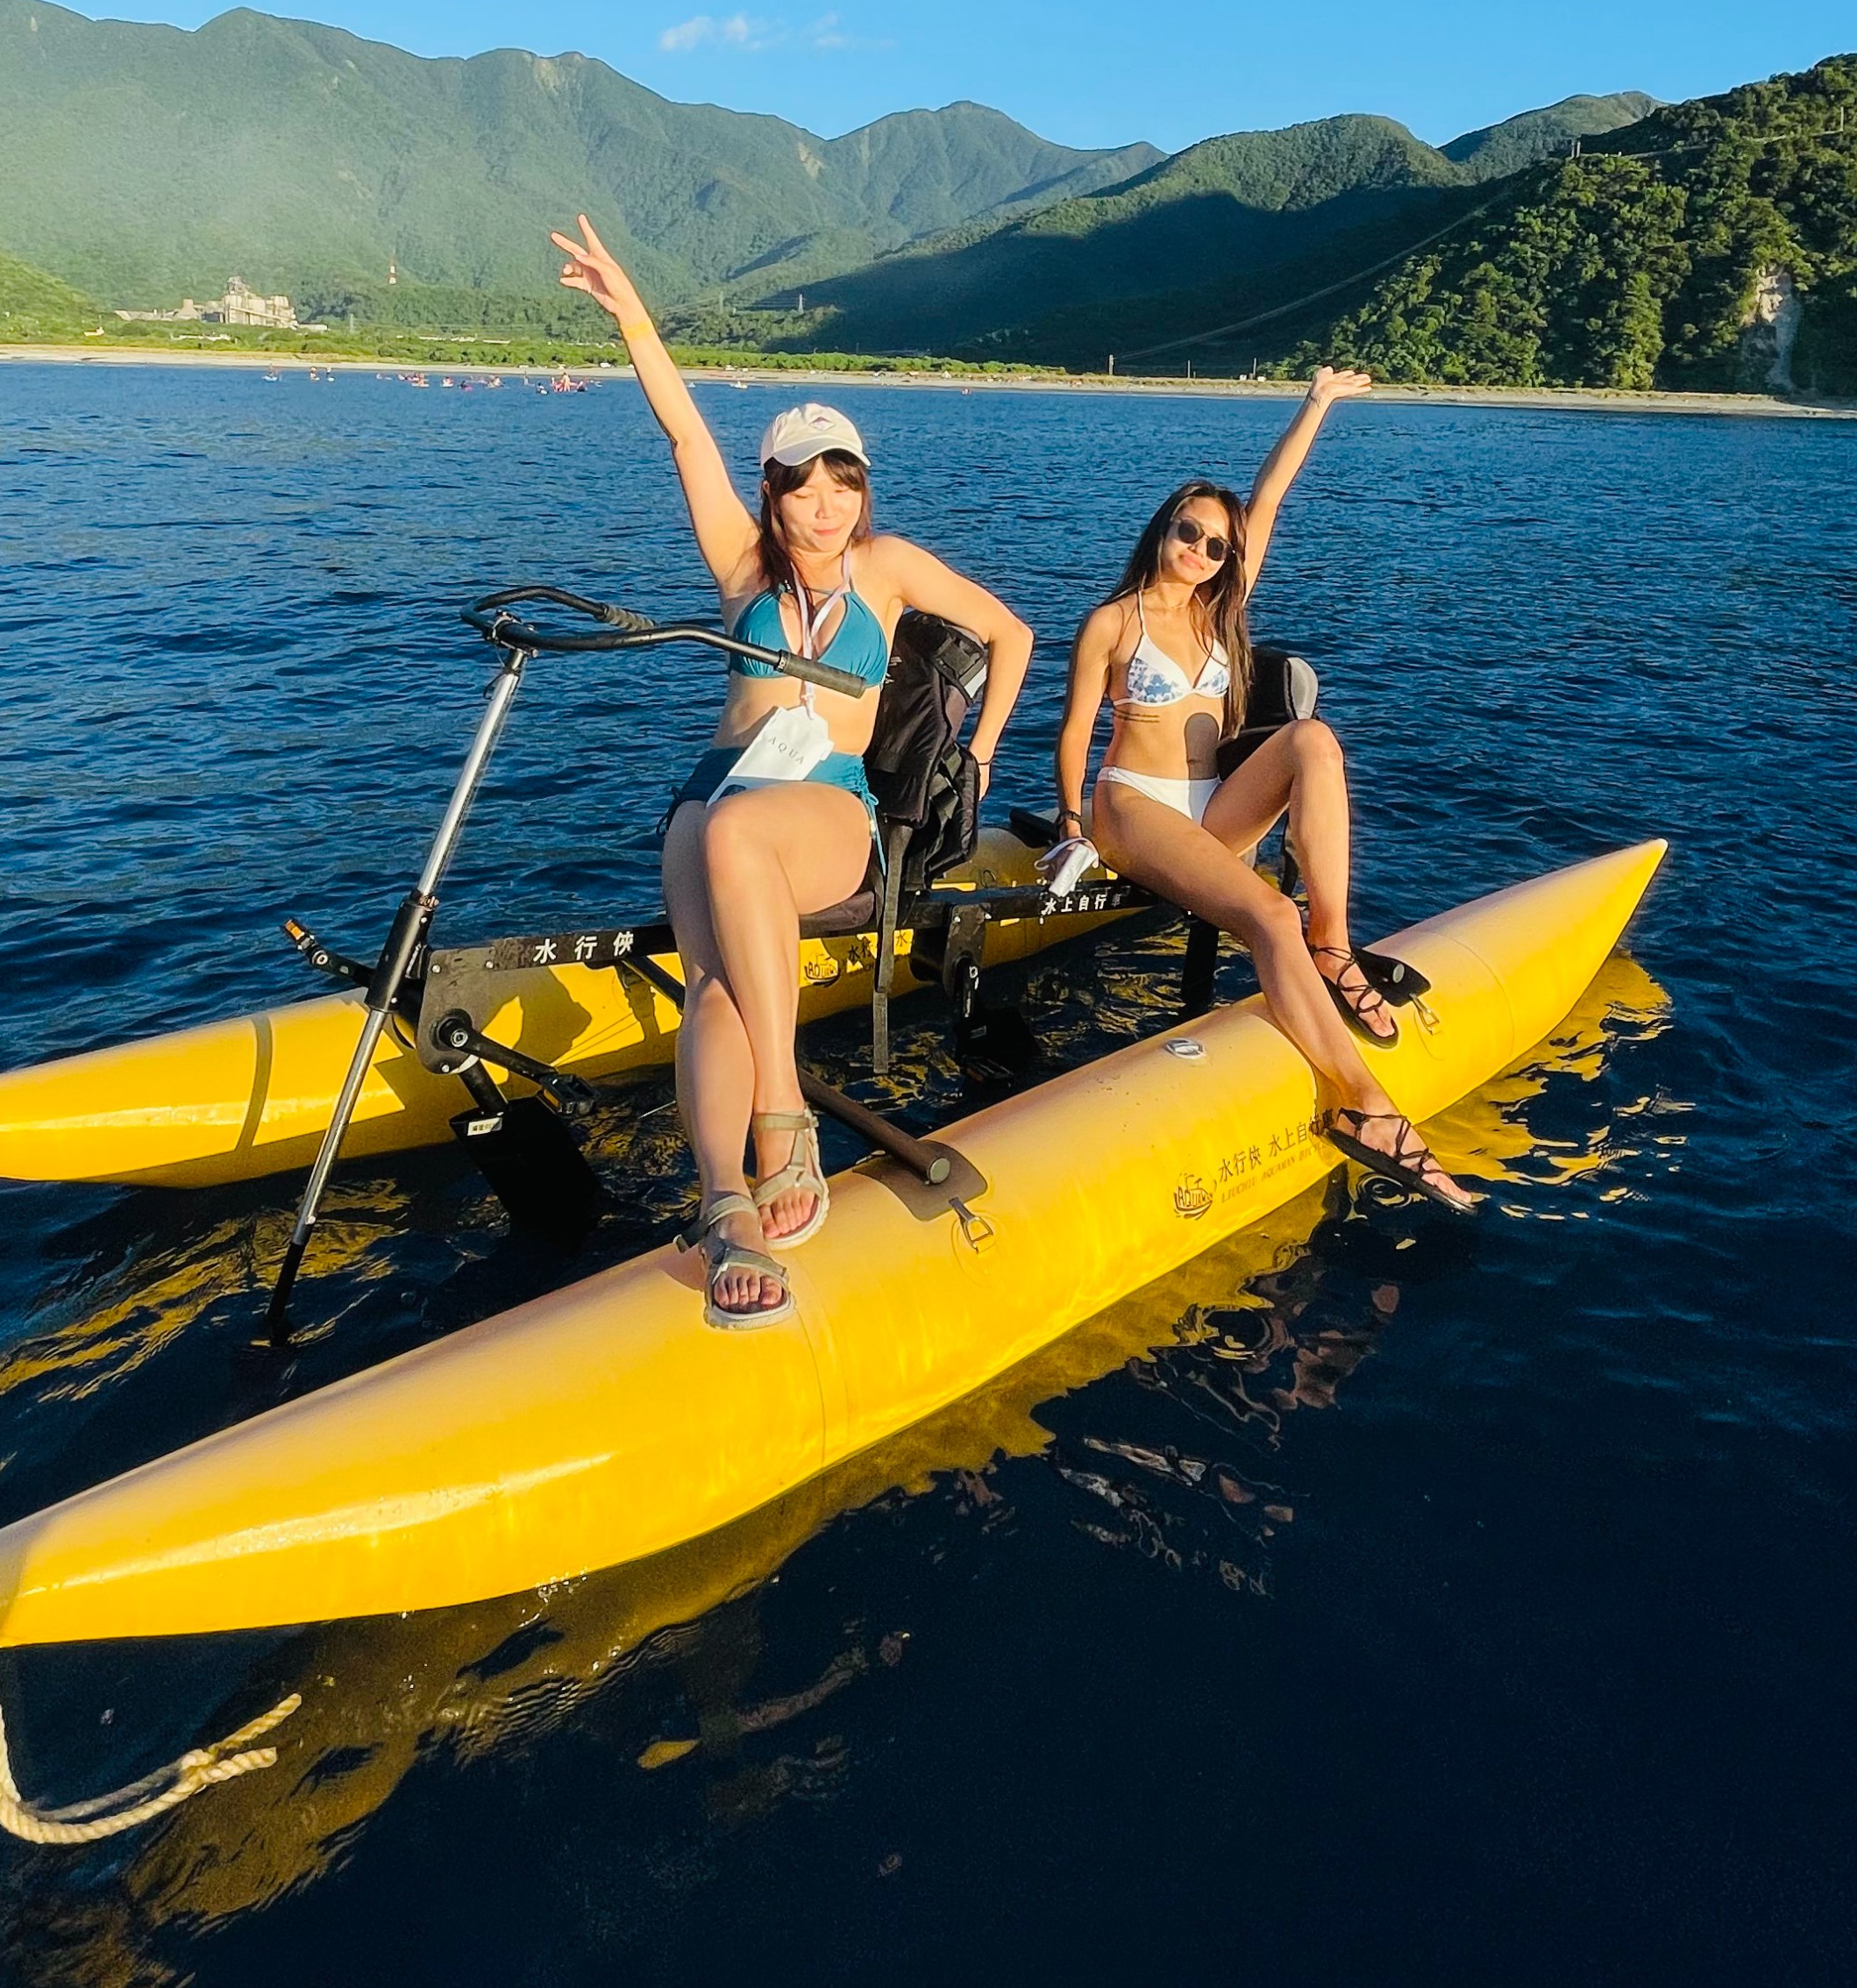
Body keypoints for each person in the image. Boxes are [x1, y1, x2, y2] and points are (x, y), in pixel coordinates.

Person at [551, 217, 1035, 1323]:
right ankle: (725, 1201)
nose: (823, 507)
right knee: (714, 974)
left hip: (823, 805)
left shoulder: (887, 568)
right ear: (771, 491)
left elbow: (1013, 635)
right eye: (801, 486)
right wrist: (635, 319)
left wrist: (979, 748)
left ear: (863, 489)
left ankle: (785, 1113)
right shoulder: (742, 565)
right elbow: (683, 437)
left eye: (842, 484)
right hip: (719, 785)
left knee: (736, 841)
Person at [1048, 371, 1471, 1211]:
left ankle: (1334, 945)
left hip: (1212, 806)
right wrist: (1071, 822)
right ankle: (1367, 1104)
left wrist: (1315, 404)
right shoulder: (1113, 621)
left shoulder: (1217, 611)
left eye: (1217, 547)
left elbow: (1268, 499)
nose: (1203, 553)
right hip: (1134, 804)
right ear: (1163, 529)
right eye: (1190, 534)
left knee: (1313, 739)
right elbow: (1074, 729)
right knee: (1266, 914)